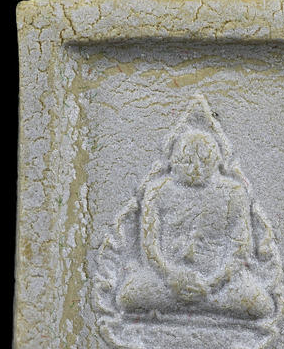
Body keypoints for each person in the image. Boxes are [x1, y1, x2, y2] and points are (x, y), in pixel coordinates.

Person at [117, 129, 273, 320]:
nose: (196, 169)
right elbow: (150, 246)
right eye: (187, 162)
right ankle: (202, 306)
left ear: (217, 161)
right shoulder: (158, 190)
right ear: (173, 162)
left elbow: (240, 249)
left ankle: (191, 304)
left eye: (205, 162)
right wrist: (171, 276)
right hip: (166, 279)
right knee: (128, 296)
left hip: (219, 282)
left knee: (260, 304)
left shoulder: (234, 192)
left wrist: (212, 284)